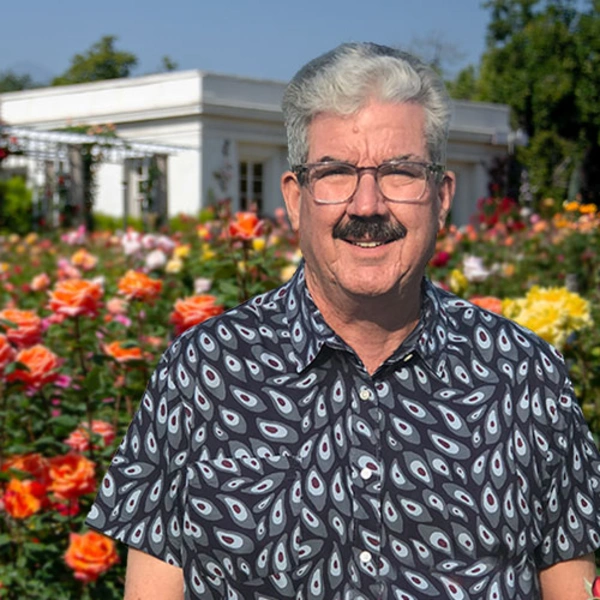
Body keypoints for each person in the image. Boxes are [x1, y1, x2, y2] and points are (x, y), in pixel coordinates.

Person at [86, 42, 600, 600]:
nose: (367, 205)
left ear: (442, 196)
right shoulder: (201, 374)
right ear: (295, 198)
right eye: (334, 173)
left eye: (400, 172)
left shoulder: (525, 376)